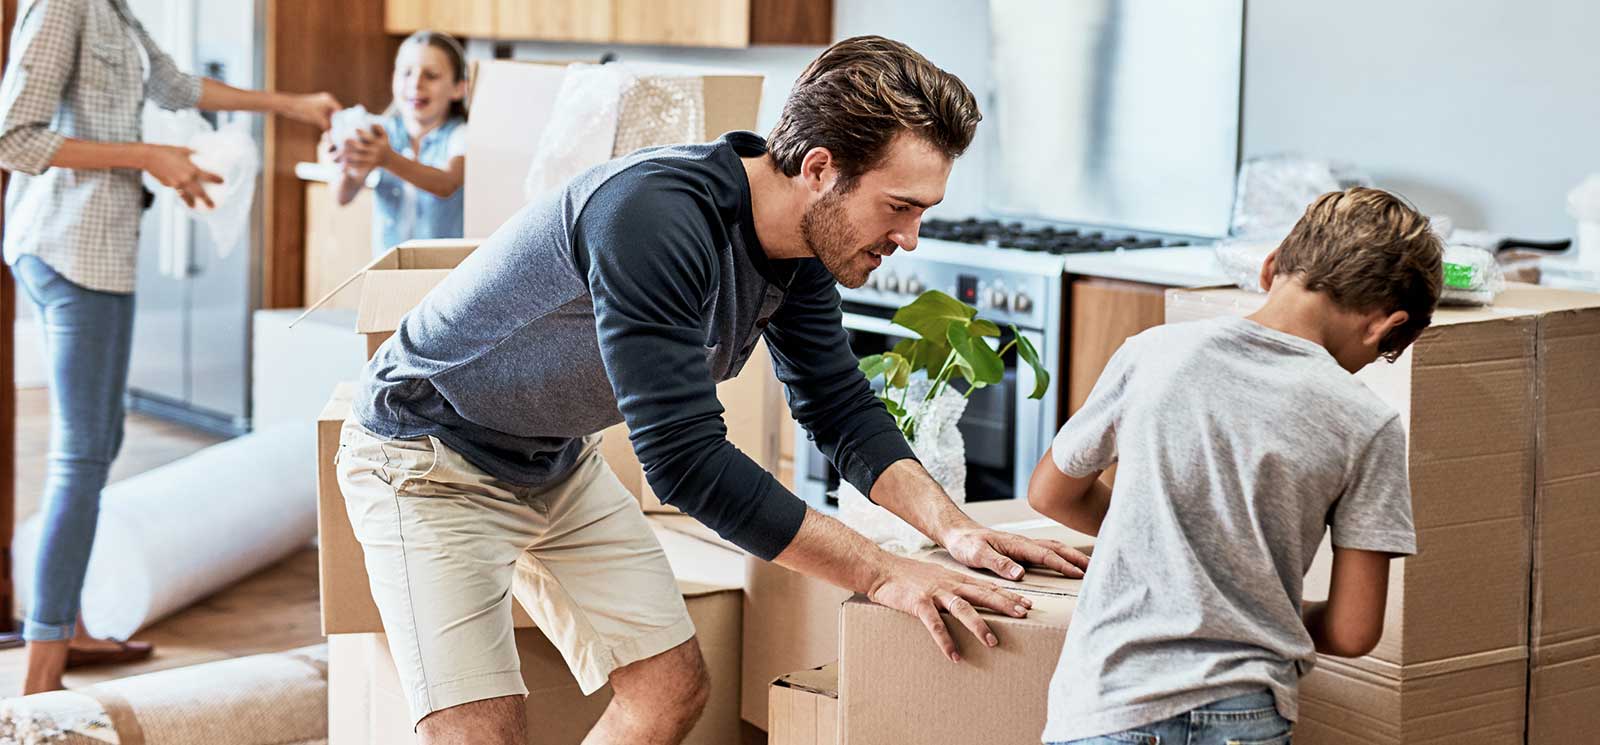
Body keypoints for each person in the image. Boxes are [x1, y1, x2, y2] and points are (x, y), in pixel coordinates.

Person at [336, 35, 1090, 744]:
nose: (911, 237)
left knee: (670, 687)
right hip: (425, 457)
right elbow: (684, 461)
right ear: (821, 169)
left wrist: (953, 530)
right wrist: (884, 568)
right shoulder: (654, 219)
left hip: (550, 460)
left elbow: (838, 405)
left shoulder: (799, 251)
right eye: (900, 206)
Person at [0, 0, 340, 695]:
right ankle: (42, 675)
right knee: (83, 453)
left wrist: (292, 103)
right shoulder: (65, 5)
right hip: (70, 249)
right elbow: (14, 136)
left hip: (96, 251)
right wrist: (149, 156)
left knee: (100, 440)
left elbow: (177, 84)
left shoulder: (113, 8)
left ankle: (73, 628)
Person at [1028, 187, 1443, 745]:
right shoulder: (1369, 423)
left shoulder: (1154, 353)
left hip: (1113, 702)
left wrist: (1164, 546)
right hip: (1247, 714)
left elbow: (1052, 493)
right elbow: (1352, 630)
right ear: (1381, 327)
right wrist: (1252, 598)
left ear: (1271, 267)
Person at [328, 30, 468, 256]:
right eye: (406, 73)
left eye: (431, 75)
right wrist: (351, 167)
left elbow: (447, 184)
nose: (416, 83)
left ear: (458, 88)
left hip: (446, 274)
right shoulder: (378, 131)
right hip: (388, 268)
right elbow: (342, 196)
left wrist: (387, 159)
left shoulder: (461, 135)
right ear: (394, 78)